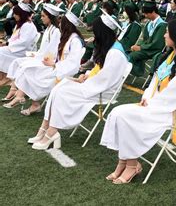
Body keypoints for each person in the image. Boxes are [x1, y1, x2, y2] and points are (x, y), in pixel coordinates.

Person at [100, 18, 176, 184]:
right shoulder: (171, 56)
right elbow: (155, 82)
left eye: (168, 32)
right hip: (155, 105)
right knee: (117, 113)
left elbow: (174, 95)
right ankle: (123, 162)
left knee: (126, 117)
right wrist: (146, 98)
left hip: (169, 112)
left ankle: (132, 166)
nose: (165, 35)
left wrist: (151, 104)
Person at [28, 13, 129, 150]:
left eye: (95, 31)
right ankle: (45, 128)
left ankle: (51, 132)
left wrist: (86, 81)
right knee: (59, 88)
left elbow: (106, 80)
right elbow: (99, 70)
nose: (93, 34)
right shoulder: (109, 47)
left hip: (103, 91)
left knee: (62, 91)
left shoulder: (116, 53)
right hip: (94, 84)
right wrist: (86, 75)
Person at [4, 9, 85, 113]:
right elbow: (54, 53)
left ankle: (26, 99)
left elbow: (73, 64)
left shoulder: (75, 41)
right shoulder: (68, 37)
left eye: (62, 22)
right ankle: (30, 101)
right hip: (57, 65)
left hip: (63, 70)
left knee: (32, 71)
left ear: (67, 25)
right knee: (28, 68)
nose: (59, 24)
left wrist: (54, 64)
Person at [2, 4, 62, 102]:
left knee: (25, 66)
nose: (40, 18)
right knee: (18, 62)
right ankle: (14, 89)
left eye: (43, 16)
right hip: (39, 55)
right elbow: (44, 49)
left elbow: (52, 51)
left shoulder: (55, 31)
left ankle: (19, 93)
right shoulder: (48, 29)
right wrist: (37, 54)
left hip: (47, 61)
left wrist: (39, 56)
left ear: (50, 17)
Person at [0, 3, 38, 86]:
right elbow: (15, 38)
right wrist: (6, 43)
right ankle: (2, 76)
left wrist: (7, 43)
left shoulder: (28, 26)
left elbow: (23, 42)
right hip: (17, 48)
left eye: (16, 14)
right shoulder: (21, 24)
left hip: (24, 51)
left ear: (21, 14)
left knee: (1, 52)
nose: (14, 16)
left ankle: (5, 77)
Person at [129, 1, 167, 77]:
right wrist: (137, 46)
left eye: (147, 13)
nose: (145, 16)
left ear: (153, 12)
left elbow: (157, 43)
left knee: (132, 56)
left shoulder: (162, 25)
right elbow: (145, 39)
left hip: (154, 50)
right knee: (128, 51)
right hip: (147, 48)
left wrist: (140, 48)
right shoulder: (149, 23)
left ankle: (136, 73)